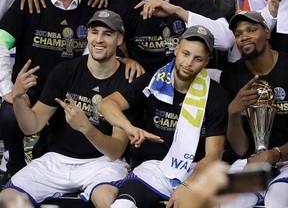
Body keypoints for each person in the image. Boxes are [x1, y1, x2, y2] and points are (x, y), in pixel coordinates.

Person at [0, 9, 135, 208]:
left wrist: (87, 128)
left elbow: (115, 150)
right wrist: (19, 97)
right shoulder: (65, 71)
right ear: (87, 34)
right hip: (56, 160)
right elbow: (32, 126)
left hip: (102, 163)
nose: (99, 39)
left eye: (107, 34)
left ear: (119, 39)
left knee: (106, 200)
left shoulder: (128, 79)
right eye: (94, 32)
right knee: (8, 199)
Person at [97, 25, 230, 208]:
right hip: (155, 168)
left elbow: (213, 154)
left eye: (197, 58)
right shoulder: (153, 81)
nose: (188, 62)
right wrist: (129, 127)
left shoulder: (216, 95)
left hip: (195, 169)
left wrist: (187, 184)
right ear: (176, 49)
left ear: (206, 61)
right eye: (185, 53)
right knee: (121, 205)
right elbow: (106, 104)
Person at [0, 0, 103, 184]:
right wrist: (8, 90)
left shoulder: (93, 3)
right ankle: (14, 164)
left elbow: (96, 52)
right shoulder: (28, 0)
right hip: (32, 89)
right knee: (9, 114)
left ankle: (49, 149)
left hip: (69, 90)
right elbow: (1, 42)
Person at [220, 11, 288, 208]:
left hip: (285, 160)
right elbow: (240, 148)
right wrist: (233, 112)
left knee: (276, 201)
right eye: (239, 34)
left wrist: (274, 154)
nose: (244, 37)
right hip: (252, 161)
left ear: (267, 32)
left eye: (251, 30)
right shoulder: (231, 76)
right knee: (230, 202)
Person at [107, 0, 235, 72]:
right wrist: (121, 60)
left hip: (188, 77)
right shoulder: (123, 2)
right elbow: (97, 43)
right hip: (140, 78)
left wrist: (179, 12)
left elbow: (226, 40)